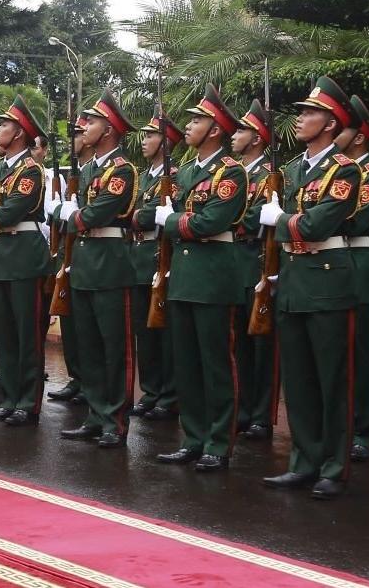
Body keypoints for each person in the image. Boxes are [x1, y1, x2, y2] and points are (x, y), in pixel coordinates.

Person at [259, 76, 360, 500]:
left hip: (327, 279)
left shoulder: (346, 170)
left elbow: (318, 223)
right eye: (300, 112)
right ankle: (303, 460)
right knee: (297, 379)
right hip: (296, 279)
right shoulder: (294, 170)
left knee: (331, 379)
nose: (300, 118)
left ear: (332, 124)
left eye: (310, 113)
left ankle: (333, 467)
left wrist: (278, 220)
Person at [154, 85, 247, 472]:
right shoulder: (187, 171)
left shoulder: (232, 172)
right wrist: (173, 221)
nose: (188, 126)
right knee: (187, 363)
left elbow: (213, 220)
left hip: (213, 275)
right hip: (186, 275)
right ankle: (192, 438)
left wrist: (172, 221)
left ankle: (218, 442)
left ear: (214, 130)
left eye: (196, 121)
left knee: (215, 363)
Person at [56, 91, 137, 448]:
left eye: (91, 122)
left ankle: (114, 421)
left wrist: (69, 216)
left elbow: (97, 214)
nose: (83, 127)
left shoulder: (122, 170)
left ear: (108, 131)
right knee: (86, 346)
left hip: (109, 264)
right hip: (86, 263)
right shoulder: (88, 169)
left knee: (112, 347)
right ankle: (95, 413)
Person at [0, 96, 50, 425]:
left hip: (24, 254)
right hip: (3, 255)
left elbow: (8, 213)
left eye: (3, 125)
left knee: (26, 333)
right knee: (3, 333)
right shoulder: (3, 169)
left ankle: (27, 401)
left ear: (19, 133)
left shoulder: (30, 170)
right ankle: (8, 396)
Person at [334, 95, 369, 463]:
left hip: (361, 264)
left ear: (358, 137)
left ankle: (366, 431)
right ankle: (340, 428)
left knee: (362, 357)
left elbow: (351, 220)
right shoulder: (330, 172)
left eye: (343, 128)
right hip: (336, 265)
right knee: (336, 355)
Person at [129, 108, 182, 421]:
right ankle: (150, 391)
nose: (145, 140)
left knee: (163, 331)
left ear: (166, 142)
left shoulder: (171, 177)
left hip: (159, 255)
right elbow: (134, 213)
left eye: (151, 135)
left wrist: (135, 217)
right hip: (138, 256)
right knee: (144, 332)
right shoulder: (145, 175)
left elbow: (147, 215)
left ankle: (168, 394)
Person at [231, 100, 278, 440]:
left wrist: (219, 220)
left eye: (242, 130)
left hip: (257, 265)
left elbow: (252, 220)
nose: (235, 136)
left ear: (258, 138)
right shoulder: (231, 172)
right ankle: (243, 408)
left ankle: (261, 415)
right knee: (238, 347)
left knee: (262, 348)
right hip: (232, 266)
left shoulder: (269, 177)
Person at [47, 115, 91, 405]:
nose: (70, 139)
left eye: (77, 133)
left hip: (91, 251)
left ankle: (90, 382)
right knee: (71, 321)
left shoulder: (100, 171)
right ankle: (77, 377)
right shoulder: (74, 173)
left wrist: (66, 211)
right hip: (70, 250)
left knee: (90, 328)